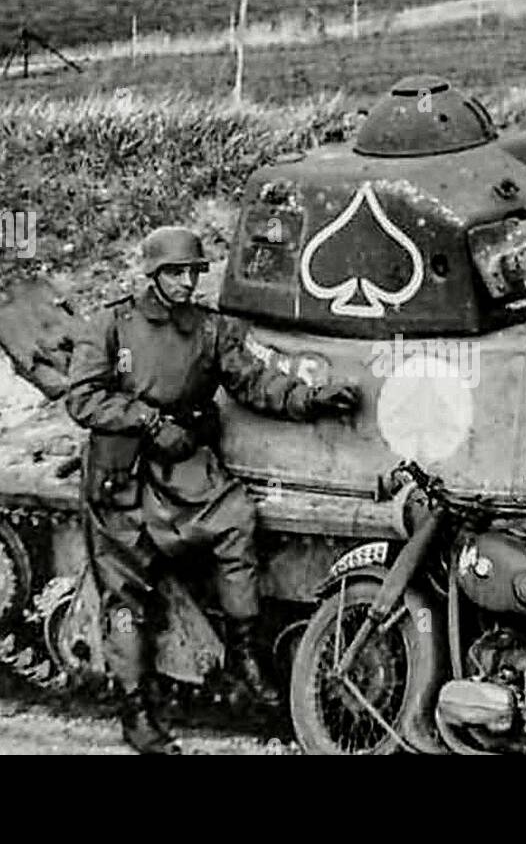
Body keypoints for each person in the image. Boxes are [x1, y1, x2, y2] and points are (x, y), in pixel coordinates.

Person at [65, 225, 360, 754]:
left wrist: (310, 399)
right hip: (124, 475)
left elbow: (252, 381)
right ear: (152, 275)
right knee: (125, 593)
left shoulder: (210, 330)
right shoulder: (110, 325)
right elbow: (83, 400)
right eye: (175, 273)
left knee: (236, 521)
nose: (186, 283)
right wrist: (148, 421)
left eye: (193, 273)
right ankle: (136, 713)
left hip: (187, 470)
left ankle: (244, 652)